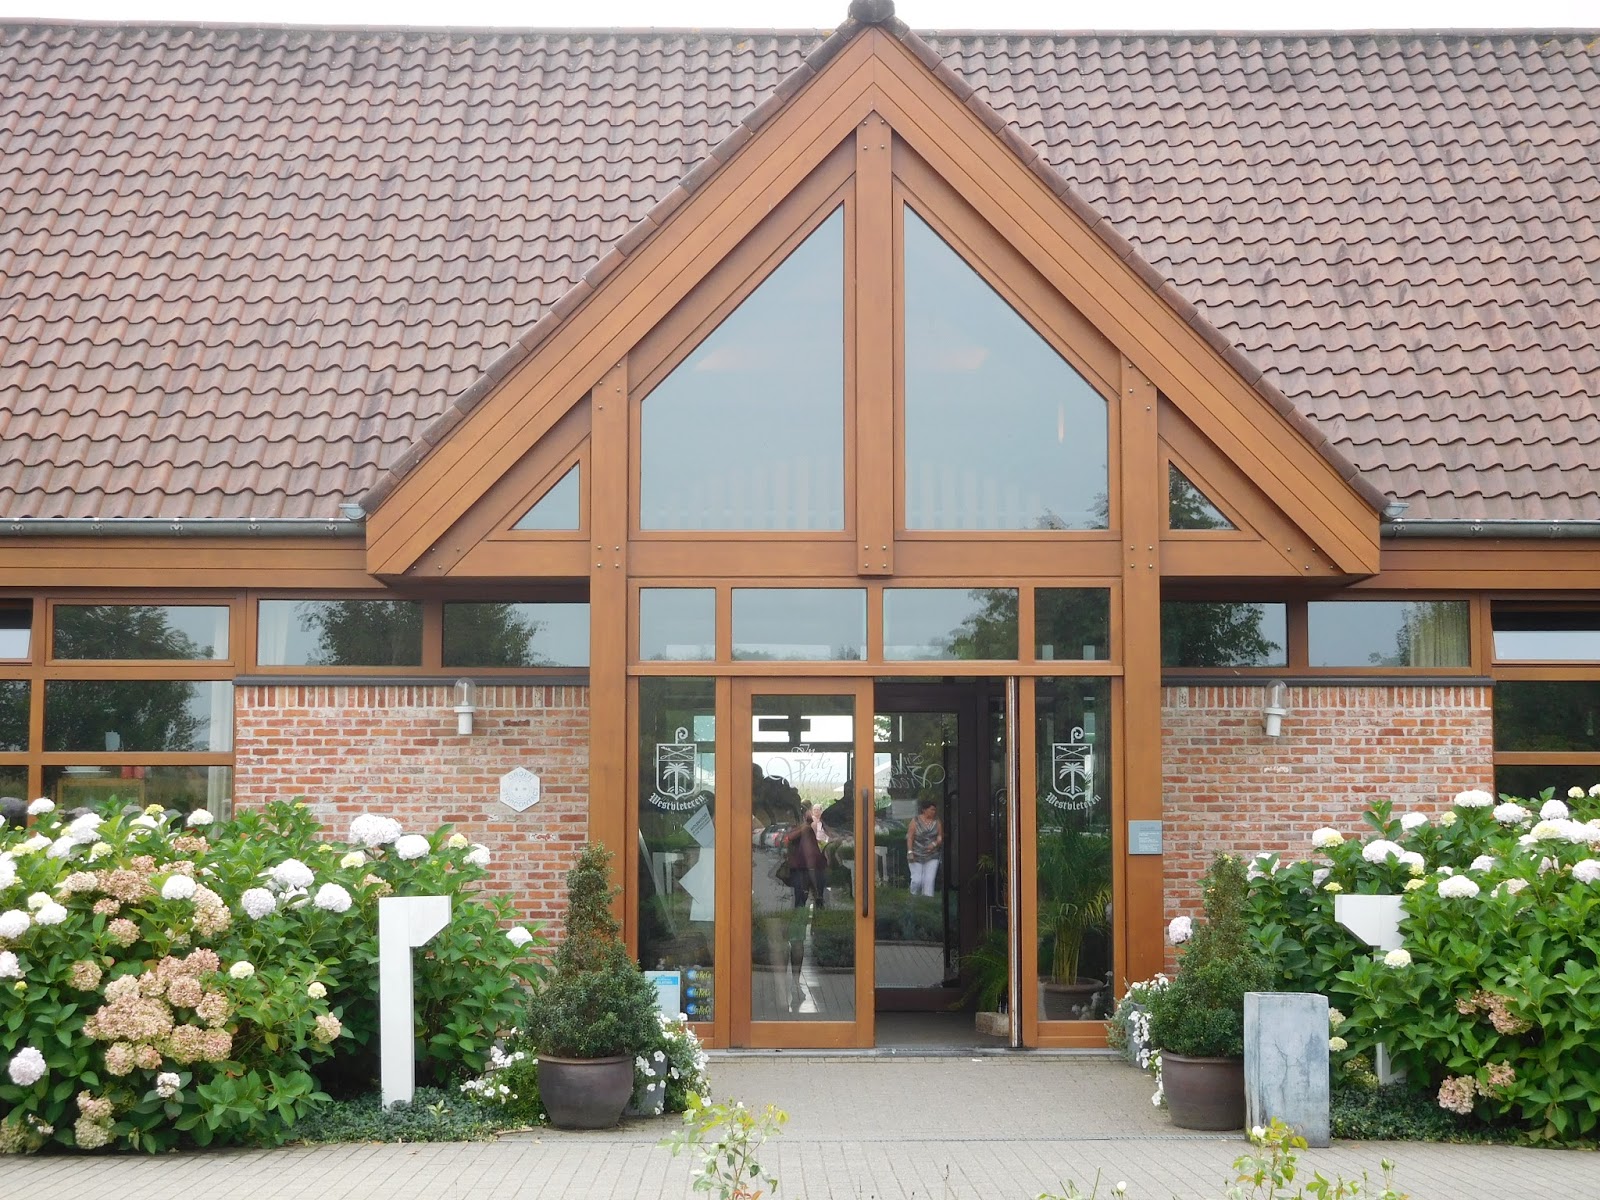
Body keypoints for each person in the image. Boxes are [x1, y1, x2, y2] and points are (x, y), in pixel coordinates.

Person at [785, 805, 829, 909]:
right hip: (806, 867)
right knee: (808, 896)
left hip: (807, 866)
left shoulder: (806, 828)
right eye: (813, 811)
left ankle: (810, 912)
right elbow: (808, 852)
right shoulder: (804, 829)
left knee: (807, 898)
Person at [906, 799, 943, 896]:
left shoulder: (937, 821)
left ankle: (927, 900)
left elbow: (940, 836)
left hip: (932, 855)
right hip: (916, 854)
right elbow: (910, 837)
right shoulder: (915, 821)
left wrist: (934, 844)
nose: (934, 812)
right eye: (931, 809)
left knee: (929, 880)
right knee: (917, 880)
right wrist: (910, 852)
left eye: (934, 810)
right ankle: (913, 897)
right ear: (924, 810)